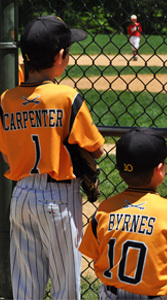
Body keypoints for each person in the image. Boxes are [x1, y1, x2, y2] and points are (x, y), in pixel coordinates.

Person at [0, 15, 105, 300]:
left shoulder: (6, 99)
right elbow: (96, 148)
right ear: (60, 56)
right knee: (65, 287)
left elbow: (7, 153)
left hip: (21, 194)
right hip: (58, 197)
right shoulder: (67, 97)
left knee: (25, 287)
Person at [79, 127, 167, 299]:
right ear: (159, 170)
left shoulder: (104, 210)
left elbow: (96, 260)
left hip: (113, 295)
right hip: (156, 297)